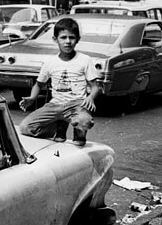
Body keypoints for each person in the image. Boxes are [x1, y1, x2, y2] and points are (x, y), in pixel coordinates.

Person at [18, 16, 101, 146]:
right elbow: (39, 84)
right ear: (55, 39)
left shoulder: (85, 60)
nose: (67, 41)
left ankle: (79, 133)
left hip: (76, 105)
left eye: (71, 37)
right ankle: (57, 128)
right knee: (25, 127)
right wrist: (32, 98)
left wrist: (90, 97)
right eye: (63, 37)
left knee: (85, 121)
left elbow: (95, 86)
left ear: (77, 39)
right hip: (55, 105)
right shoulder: (50, 62)